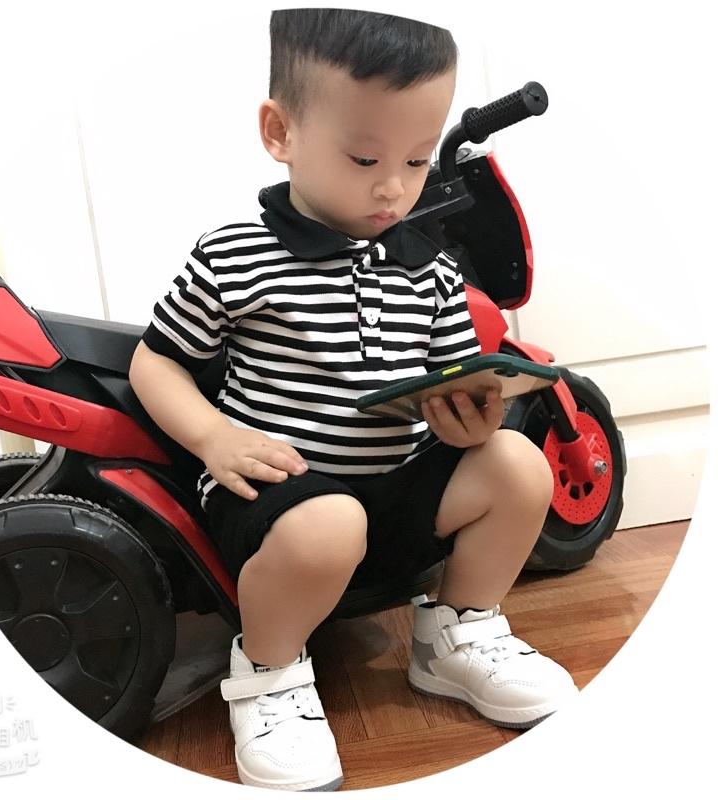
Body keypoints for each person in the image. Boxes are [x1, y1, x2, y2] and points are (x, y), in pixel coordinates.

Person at [129, 8, 578, 792]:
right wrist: (211, 437)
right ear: (281, 132)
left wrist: (473, 419)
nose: (394, 185)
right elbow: (156, 361)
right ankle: (268, 672)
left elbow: (451, 380)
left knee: (517, 464)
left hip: (393, 491)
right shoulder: (237, 253)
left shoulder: (430, 268)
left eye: (416, 158)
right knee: (328, 522)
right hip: (278, 493)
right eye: (366, 157)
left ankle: (457, 633)